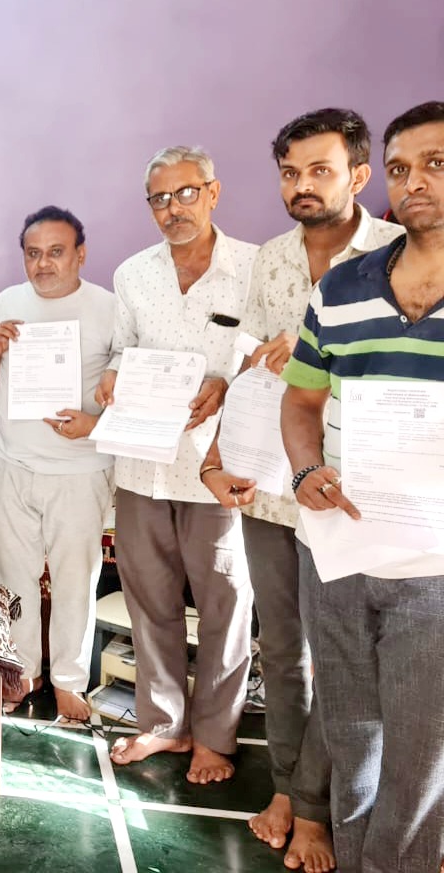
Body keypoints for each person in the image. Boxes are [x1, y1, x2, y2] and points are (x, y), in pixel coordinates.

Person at [201, 108, 402, 873]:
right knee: (280, 647)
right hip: (268, 483)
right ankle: (288, 787)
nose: (302, 186)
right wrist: (216, 454)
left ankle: (321, 803)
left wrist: (315, 357)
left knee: (344, 657)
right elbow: (249, 365)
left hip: (347, 489)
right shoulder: (271, 259)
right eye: (291, 173)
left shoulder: (395, 252)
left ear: (359, 174)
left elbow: (400, 375)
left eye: (321, 170)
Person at [280, 100, 444, 873]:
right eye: (403, 168)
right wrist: (305, 468)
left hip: (433, 563)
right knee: (351, 732)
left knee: (422, 748)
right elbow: (301, 399)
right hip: (340, 547)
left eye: (436, 164)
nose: (415, 183)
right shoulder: (343, 288)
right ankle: (353, 855)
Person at [98, 146, 258, 784]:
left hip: (217, 464)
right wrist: (113, 375)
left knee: (225, 603)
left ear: (213, 192)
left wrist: (227, 382)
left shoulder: (255, 268)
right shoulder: (133, 273)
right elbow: (123, 348)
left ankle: (216, 736)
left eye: (186, 193)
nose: (173, 209)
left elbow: (272, 357)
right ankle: (164, 725)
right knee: (150, 599)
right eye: (159, 199)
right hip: (142, 463)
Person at [0, 206, 115, 722]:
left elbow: (126, 385)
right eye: (33, 254)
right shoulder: (8, 301)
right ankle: (22, 672)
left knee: (76, 580)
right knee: (12, 577)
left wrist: (93, 421)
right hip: (13, 464)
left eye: (56, 252)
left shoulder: (109, 308)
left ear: (81, 254)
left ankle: (69, 680)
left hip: (80, 471)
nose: (43, 264)